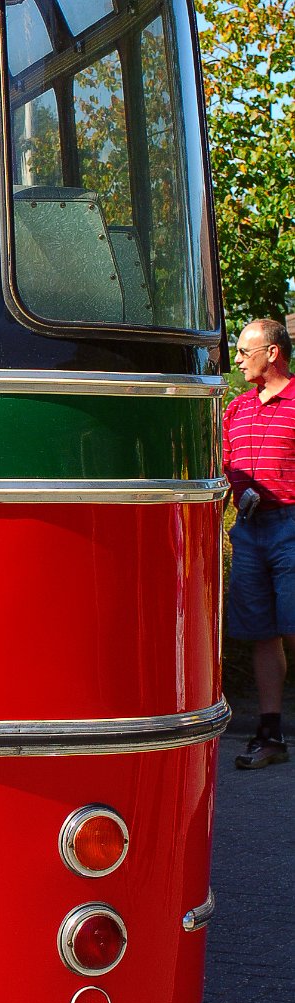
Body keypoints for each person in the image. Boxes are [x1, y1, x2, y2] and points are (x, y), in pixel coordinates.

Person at [223, 316, 295, 768]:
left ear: (272, 353)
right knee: (262, 632)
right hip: (250, 530)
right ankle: (270, 736)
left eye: (243, 352)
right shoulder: (236, 409)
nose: (236, 360)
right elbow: (226, 462)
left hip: (291, 524)